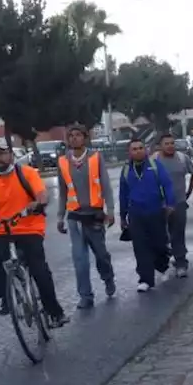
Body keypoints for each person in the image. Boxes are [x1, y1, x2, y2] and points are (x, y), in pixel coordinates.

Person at [0, 143, 67, 326]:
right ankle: (6, 296)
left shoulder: (27, 173)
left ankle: (55, 312)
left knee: (39, 271)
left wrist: (37, 203)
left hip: (29, 228)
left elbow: (42, 194)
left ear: (11, 154)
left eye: (2, 154)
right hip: (1, 230)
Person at [56, 124, 117, 309]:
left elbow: (105, 185)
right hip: (74, 217)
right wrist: (60, 216)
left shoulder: (95, 158)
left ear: (85, 138)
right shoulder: (63, 161)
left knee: (101, 256)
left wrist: (111, 210)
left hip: (94, 216)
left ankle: (108, 278)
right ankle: (86, 296)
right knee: (80, 260)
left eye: (78, 135)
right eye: (71, 136)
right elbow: (62, 191)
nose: (74, 138)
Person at [118, 138, 176, 292]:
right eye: (134, 149)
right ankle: (145, 279)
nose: (138, 151)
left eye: (140, 148)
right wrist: (122, 216)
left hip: (155, 211)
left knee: (158, 243)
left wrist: (170, 203)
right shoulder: (125, 171)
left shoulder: (155, 166)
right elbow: (123, 194)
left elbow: (167, 184)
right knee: (140, 247)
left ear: (146, 150)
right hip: (136, 214)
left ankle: (163, 264)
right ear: (129, 152)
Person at [154, 133, 193, 278]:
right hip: (159, 205)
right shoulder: (154, 160)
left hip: (179, 203)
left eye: (172, 143)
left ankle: (181, 263)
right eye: (166, 144)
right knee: (160, 236)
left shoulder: (182, 158)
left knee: (178, 234)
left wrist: (188, 192)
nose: (170, 146)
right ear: (160, 146)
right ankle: (163, 260)